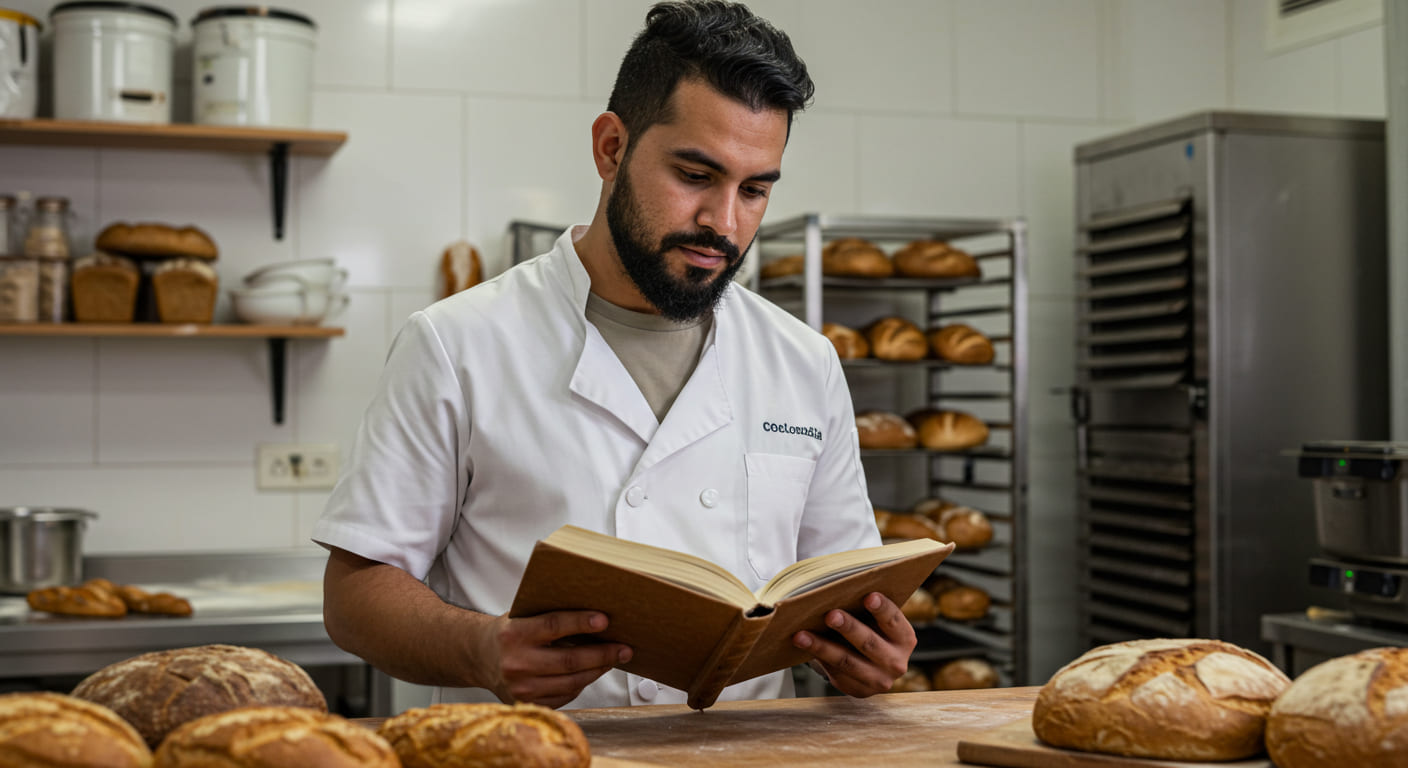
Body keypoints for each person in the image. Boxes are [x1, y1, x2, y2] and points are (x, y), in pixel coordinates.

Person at [314, 0, 916, 710]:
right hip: (538, 750)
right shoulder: (457, 343)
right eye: (695, 175)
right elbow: (355, 595)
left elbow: (845, 589)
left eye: (754, 190)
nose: (724, 223)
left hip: (749, 754)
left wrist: (867, 653)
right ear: (610, 148)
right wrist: (479, 649)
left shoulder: (803, 362)